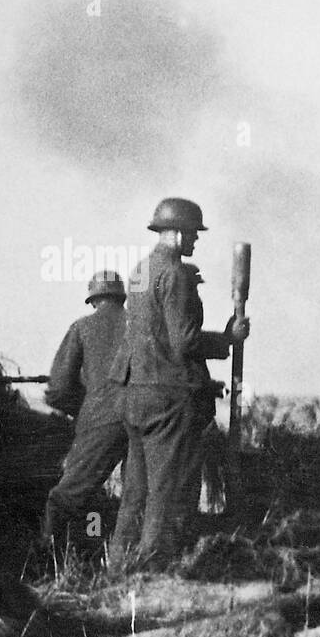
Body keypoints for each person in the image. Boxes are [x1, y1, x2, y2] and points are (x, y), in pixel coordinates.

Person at [107, 198, 250, 573]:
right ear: (175, 233)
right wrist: (228, 339)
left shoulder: (140, 270)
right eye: (192, 233)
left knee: (135, 492)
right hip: (168, 399)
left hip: (135, 393)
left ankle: (118, 567)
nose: (195, 241)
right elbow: (184, 341)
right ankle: (153, 573)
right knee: (165, 492)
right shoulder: (175, 274)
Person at [38, 271, 128, 550]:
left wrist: (82, 406)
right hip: (144, 420)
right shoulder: (139, 325)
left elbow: (58, 390)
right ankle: (113, 553)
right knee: (134, 498)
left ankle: (45, 558)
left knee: (65, 496)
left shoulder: (82, 328)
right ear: (121, 297)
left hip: (101, 421)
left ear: (93, 300)